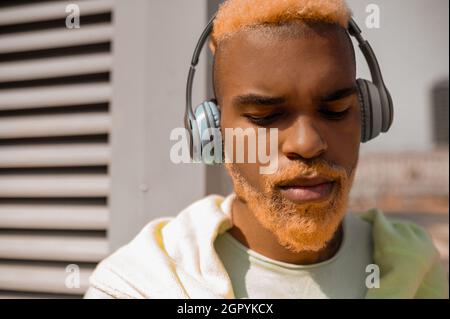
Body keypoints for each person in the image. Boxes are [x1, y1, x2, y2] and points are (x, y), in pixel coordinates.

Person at [85, 0, 448, 299]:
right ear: (213, 132)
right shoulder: (138, 284)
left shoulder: (415, 266)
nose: (307, 144)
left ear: (369, 117)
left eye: (336, 111)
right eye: (264, 116)